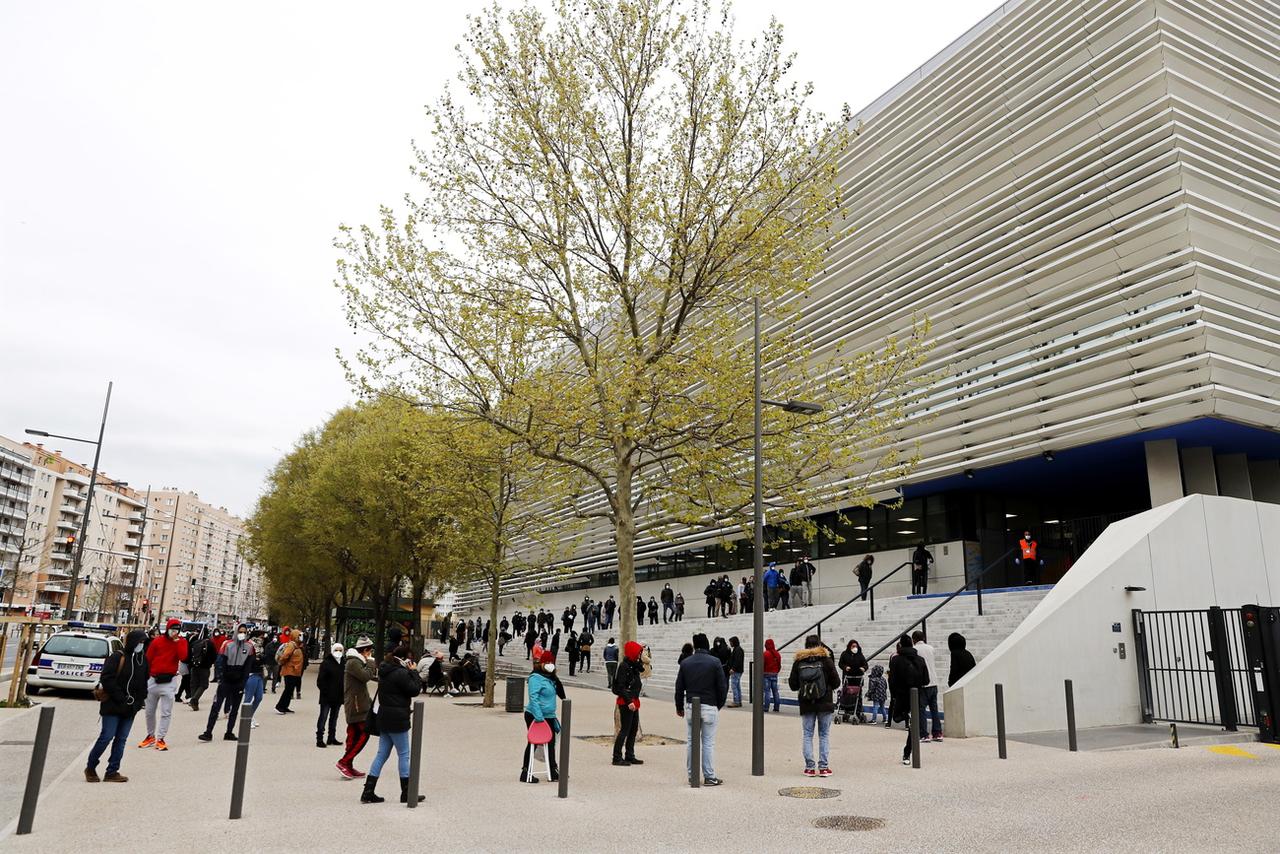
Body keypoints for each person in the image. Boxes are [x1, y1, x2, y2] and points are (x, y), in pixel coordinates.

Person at [360, 644, 423, 804]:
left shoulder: (385, 669)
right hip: (397, 717)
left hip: (384, 716)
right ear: (405, 659)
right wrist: (414, 672)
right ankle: (407, 792)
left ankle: (368, 791)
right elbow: (415, 690)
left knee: (382, 754)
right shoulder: (401, 673)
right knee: (404, 754)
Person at [86, 628, 149, 782]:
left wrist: (140, 701)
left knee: (121, 739)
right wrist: (121, 697)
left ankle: (112, 771)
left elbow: (143, 682)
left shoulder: (142, 660)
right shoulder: (117, 657)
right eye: (139, 642)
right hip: (113, 705)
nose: (141, 645)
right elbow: (107, 679)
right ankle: (91, 767)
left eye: (143, 642)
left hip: (130, 708)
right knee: (106, 737)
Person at [674, 633, 726, 786]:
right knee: (708, 743)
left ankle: (692, 774)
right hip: (709, 704)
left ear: (694, 645)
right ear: (707, 644)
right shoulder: (715, 662)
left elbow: (679, 688)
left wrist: (679, 707)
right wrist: (718, 705)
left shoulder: (686, 663)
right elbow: (722, 687)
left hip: (691, 705)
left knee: (691, 741)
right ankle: (709, 776)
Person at [789, 634, 840, 777]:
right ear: (820, 645)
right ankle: (823, 767)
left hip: (806, 703)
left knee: (807, 734)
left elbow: (792, 685)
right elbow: (836, 682)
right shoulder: (826, 661)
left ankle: (810, 767)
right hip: (825, 702)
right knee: (824, 735)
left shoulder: (798, 662)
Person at [139, 617, 188, 751]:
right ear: (167, 629)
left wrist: (177, 642)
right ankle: (150, 736)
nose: (174, 632)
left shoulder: (182, 642)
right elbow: (148, 658)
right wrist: (145, 676)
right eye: (173, 629)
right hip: (153, 679)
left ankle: (160, 738)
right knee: (149, 711)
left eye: (177, 630)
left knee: (166, 712)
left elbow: (183, 657)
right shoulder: (157, 641)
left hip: (169, 681)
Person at [198, 623, 252, 742]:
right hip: (226, 679)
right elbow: (220, 662)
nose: (242, 634)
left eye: (244, 632)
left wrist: (244, 681)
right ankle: (208, 732)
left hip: (238, 680)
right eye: (240, 631)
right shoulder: (227, 644)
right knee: (216, 706)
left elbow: (248, 666)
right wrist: (221, 678)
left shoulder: (249, 647)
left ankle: (229, 732)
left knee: (235, 709)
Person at [337, 636, 377, 780]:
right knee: (363, 734)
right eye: (369, 651)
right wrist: (371, 662)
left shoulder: (355, 661)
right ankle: (344, 762)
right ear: (365, 650)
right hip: (356, 705)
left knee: (353, 735)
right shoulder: (354, 662)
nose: (370, 654)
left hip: (358, 703)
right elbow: (366, 676)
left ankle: (348, 764)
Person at [521, 650, 561, 783]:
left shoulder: (551, 678)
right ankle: (526, 772)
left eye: (552, 662)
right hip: (535, 715)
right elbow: (534, 697)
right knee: (533, 742)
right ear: (542, 663)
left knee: (551, 743)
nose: (550, 664)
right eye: (547, 662)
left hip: (549, 715)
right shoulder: (536, 678)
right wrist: (539, 717)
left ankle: (553, 770)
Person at [889, 634, 928, 764]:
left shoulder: (896, 660)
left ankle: (907, 716)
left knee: (897, 717)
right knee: (913, 726)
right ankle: (907, 752)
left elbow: (892, 680)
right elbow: (926, 680)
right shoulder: (920, 660)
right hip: (917, 694)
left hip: (901, 695)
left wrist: (894, 694)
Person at [611, 641, 645, 767]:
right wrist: (629, 701)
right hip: (626, 701)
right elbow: (620, 686)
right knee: (625, 730)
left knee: (633, 729)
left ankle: (630, 755)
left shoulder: (633, 665)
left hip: (634, 700)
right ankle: (617, 757)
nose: (639, 655)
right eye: (638, 653)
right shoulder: (624, 666)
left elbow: (641, 670)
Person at [912, 630, 942, 741]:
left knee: (922, 710)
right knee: (934, 709)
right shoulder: (931, 648)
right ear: (923, 638)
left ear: (913, 639)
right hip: (934, 681)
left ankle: (924, 734)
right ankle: (937, 732)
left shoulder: (915, 650)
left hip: (924, 683)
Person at [315, 641, 345, 748]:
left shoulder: (343, 662)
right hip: (327, 696)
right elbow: (320, 681)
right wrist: (325, 692)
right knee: (323, 716)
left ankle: (331, 737)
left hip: (338, 696)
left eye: (340, 650)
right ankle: (319, 738)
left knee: (334, 717)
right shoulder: (326, 663)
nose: (338, 652)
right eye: (336, 650)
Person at [274, 629, 304, 715]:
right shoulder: (291, 645)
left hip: (294, 671)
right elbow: (284, 656)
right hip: (289, 671)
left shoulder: (297, 645)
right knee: (288, 690)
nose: (301, 637)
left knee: (290, 690)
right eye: (299, 635)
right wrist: (284, 664)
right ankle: (280, 706)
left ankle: (285, 706)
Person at [186, 626, 214, 711]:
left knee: (194, 684)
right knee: (204, 684)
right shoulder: (210, 643)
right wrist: (209, 663)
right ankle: (194, 699)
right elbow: (214, 656)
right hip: (205, 667)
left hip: (194, 666)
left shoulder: (194, 642)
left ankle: (194, 700)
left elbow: (189, 654)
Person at [762, 638, 782, 712]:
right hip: (774, 674)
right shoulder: (777, 654)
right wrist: (776, 671)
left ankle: (766, 707)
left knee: (767, 691)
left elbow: (762, 664)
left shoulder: (765, 654)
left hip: (766, 674)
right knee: (775, 691)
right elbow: (779, 665)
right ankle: (776, 707)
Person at [727, 636, 744, 708]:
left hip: (736, 671)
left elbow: (737, 660)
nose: (730, 643)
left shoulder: (737, 650)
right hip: (738, 670)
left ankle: (736, 701)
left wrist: (733, 669)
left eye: (731, 642)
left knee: (734, 686)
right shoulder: (737, 649)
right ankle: (738, 701)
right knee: (737, 686)